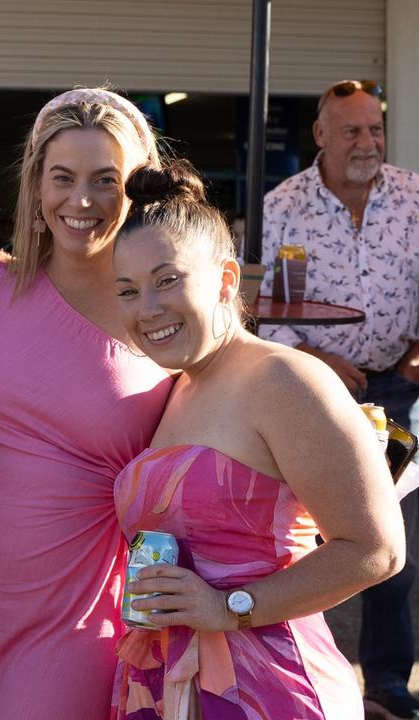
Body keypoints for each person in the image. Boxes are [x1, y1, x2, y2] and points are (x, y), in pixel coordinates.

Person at [0, 87, 171, 719]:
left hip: (82, 609)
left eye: (106, 180)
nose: (81, 201)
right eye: (63, 178)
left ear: (138, 189)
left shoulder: (164, 314)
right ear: (35, 186)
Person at [110, 159, 404, 719]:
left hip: (270, 689)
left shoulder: (285, 379)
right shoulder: (173, 390)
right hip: (170, 682)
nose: (147, 309)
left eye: (167, 280)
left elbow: (376, 549)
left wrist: (229, 607)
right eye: (127, 290)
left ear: (226, 279)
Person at [259, 78, 419, 720]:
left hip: (396, 388)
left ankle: (384, 684)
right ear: (321, 136)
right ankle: (300, 678)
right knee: (305, 538)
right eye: (352, 130)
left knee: (392, 540)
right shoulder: (285, 209)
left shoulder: (412, 199)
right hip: (315, 391)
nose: (367, 142)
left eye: (375, 129)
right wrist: (318, 360)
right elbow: (270, 310)